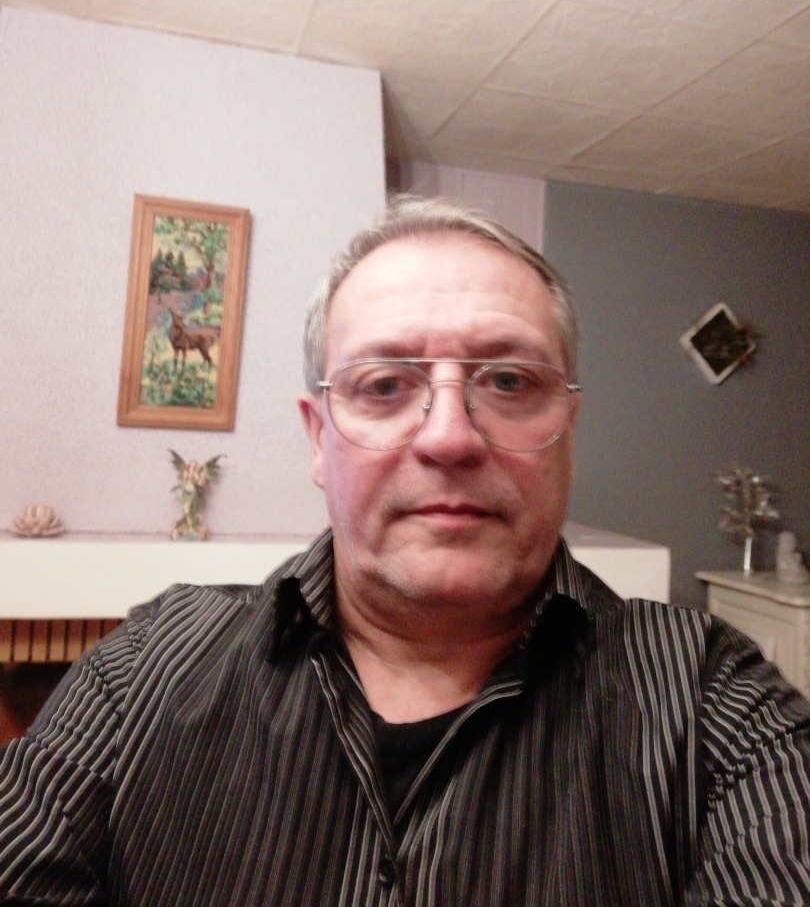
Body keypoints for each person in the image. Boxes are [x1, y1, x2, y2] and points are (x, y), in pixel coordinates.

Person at [1, 195, 808, 906]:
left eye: (509, 381)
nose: (449, 437)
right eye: (385, 385)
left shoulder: (716, 705)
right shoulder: (144, 666)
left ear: (568, 429)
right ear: (318, 439)